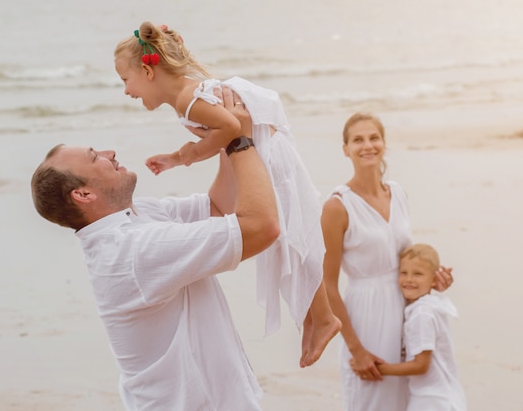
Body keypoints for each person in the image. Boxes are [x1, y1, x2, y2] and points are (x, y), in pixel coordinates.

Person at [30, 88, 280, 410]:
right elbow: (261, 227)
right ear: (83, 195)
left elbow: (218, 208)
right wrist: (239, 142)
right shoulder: (131, 251)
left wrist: (222, 135)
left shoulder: (138, 217)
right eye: (95, 157)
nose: (110, 153)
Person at [113, 21, 341, 367]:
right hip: (261, 152)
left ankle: (324, 318)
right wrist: (181, 158)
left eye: (125, 81)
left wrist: (185, 155)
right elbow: (223, 133)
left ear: (146, 71)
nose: (126, 91)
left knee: (292, 237)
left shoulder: (188, 100)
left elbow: (232, 128)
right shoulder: (186, 96)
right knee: (289, 240)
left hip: (266, 155)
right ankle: (314, 316)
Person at [321, 112, 454, 411]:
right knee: (372, 399)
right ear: (345, 149)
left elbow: (406, 256)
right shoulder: (337, 206)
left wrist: (433, 278)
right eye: (358, 140)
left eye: (374, 138)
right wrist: (357, 349)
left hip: (408, 310)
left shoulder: (399, 193)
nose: (367, 145)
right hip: (366, 314)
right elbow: (326, 285)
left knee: (412, 399)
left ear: (383, 143)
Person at [366, 243, 467, 411]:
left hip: (432, 400)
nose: (409, 280)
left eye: (418, 274)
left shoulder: (422, 314)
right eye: (403, 273)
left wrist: (379, 369)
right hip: (443, 395)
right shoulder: (432, 305)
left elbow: (421, 365)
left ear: (434, 280)